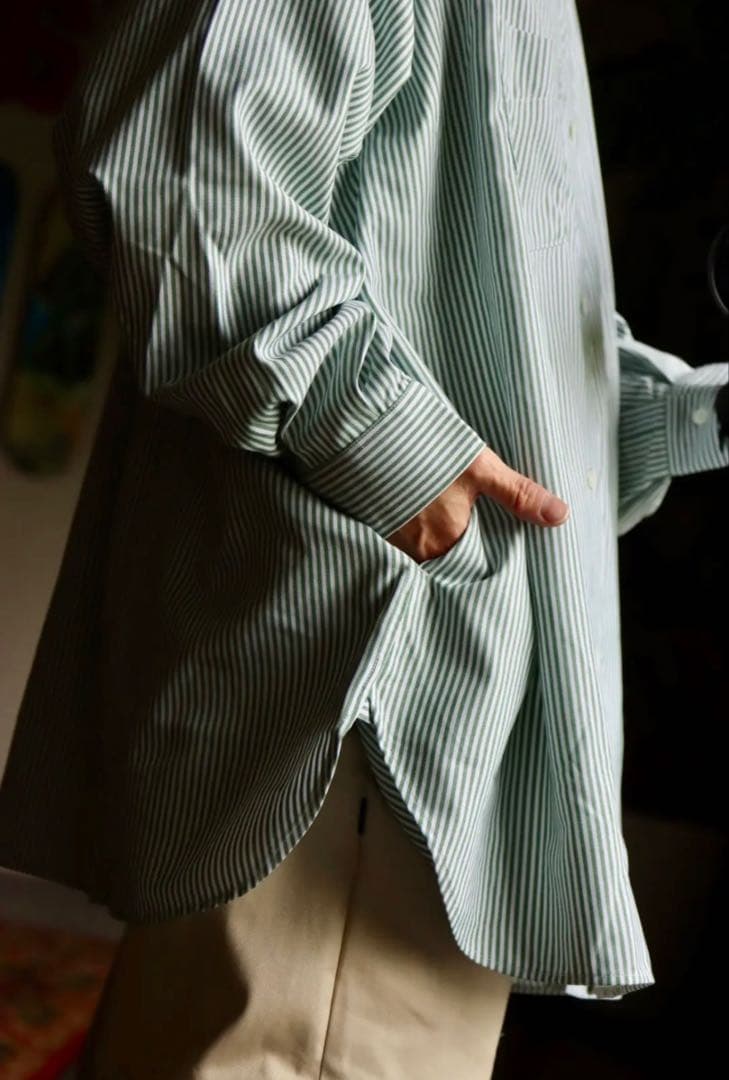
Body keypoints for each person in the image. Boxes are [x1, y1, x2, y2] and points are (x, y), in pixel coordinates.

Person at [1, 0, 727, 1075]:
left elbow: (513, 356)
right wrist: (396, 454)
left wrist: (695, 414)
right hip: (372, 679)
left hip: (430, 689)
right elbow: (185, 175)